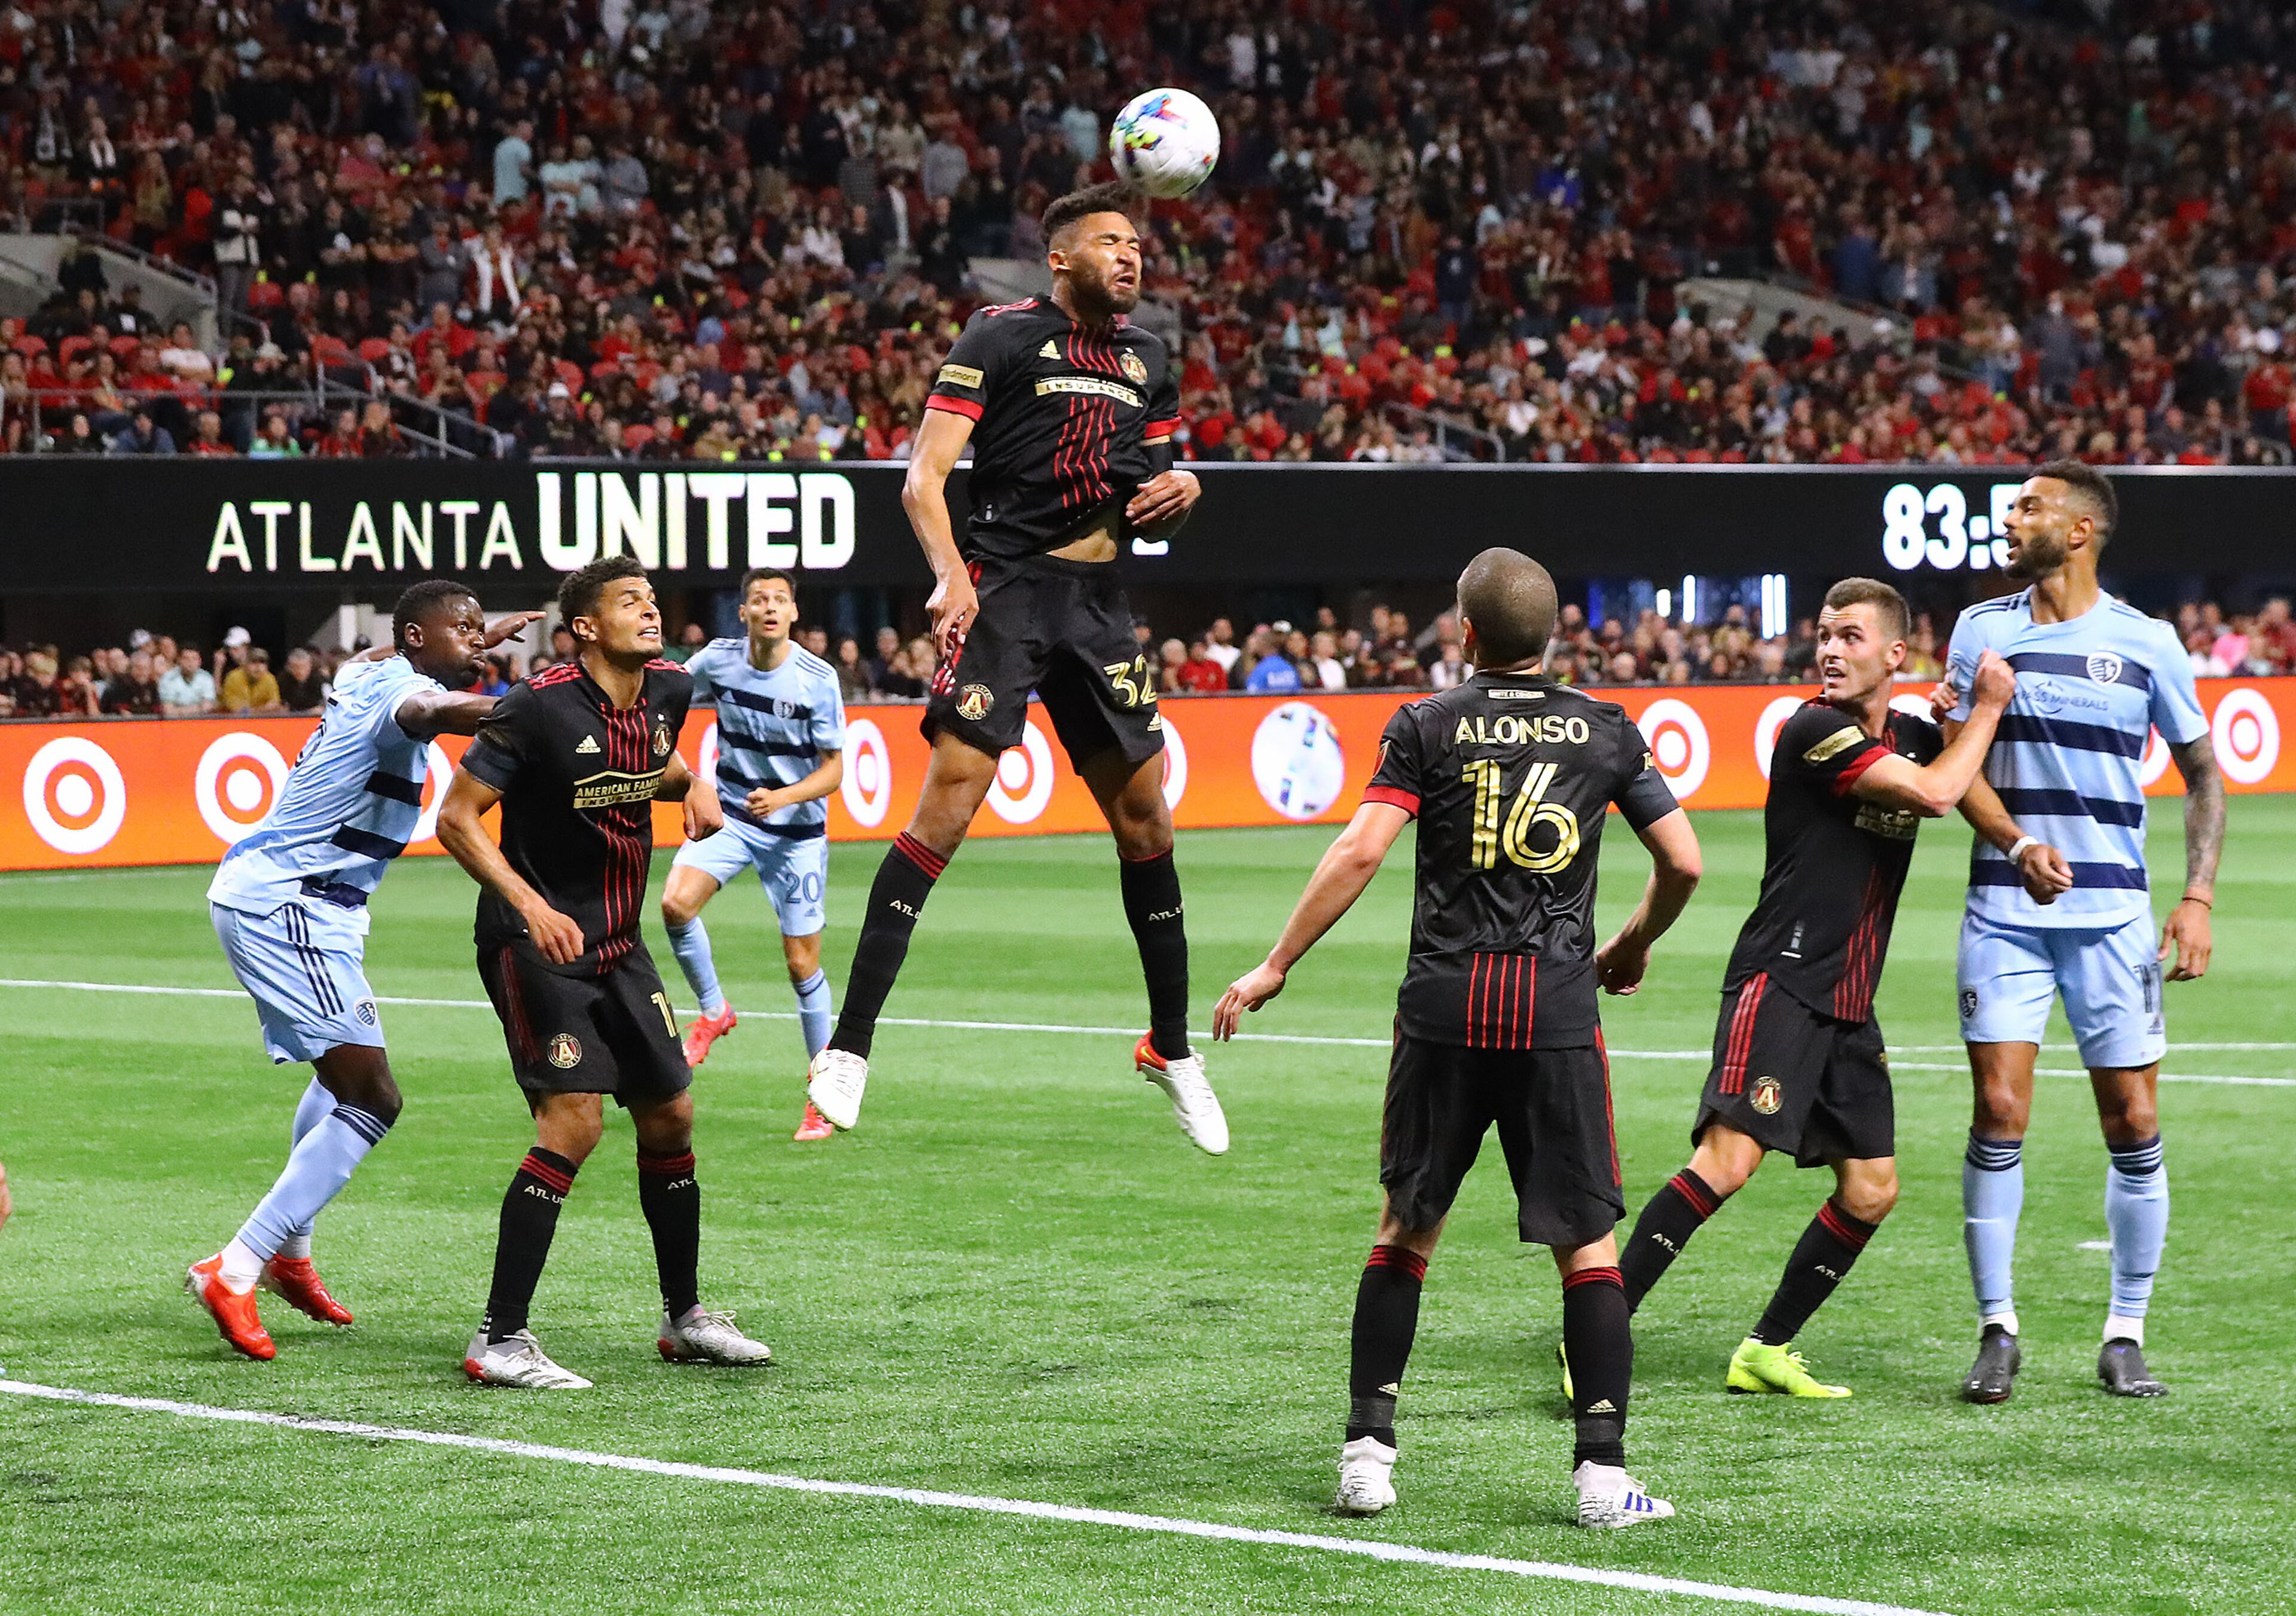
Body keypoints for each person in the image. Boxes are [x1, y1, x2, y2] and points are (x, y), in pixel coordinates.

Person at [1213, 548, 1702, 1528]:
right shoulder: (1606, 730)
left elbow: (1360, 847)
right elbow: (1683, 859)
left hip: (1444, 1006)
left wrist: (1276, 963)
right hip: (1555, 1010)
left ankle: (1366, 1459)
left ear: (1466, 635)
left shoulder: (1426, 724)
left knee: (1407, 1226)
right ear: (1554, 636)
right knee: (1588, 1245)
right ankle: (1602, 1481)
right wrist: (1633, 942)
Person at [804, 182, 1225, 1153]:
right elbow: (924, 480)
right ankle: (848, 1047)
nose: (1130, 256)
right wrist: (953, 578)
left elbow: (1152, 489)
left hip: (1099, 600)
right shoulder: (998, 337)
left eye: (1137, 244)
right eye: (1110, 241)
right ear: (1062, 256)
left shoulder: (1147, 358)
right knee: (948, 803)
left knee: (1146, 817)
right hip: (1008, 587)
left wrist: (1185, 487)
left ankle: (1171, 1046)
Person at [1612, 581, 2017, 1398]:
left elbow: (1950, 774)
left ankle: (1766, 1348)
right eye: (1825, 635)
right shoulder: (1813, 729)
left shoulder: (1906, 731)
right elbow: (1938, 793)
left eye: (1851, 636)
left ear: (1894, 654)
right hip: (1784, 979)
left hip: (1848, 1001)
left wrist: (2009, 827)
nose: (1830, 649)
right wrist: (1988, 710)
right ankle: (1596, 1329)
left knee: (1872, 1188)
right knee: (1727, 1162)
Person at [436, 557, 767, 1389]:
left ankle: (685, 1316)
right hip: (533, 940)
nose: (650, 611)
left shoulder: (669, 690)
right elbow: (456, 817)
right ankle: (499, 1337)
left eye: (653, 599)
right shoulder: (537, 706)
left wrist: (694, 788)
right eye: (630, 602)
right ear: (585, 626)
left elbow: (656, 760)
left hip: (619, 944)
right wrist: (527, 903)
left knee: (672, 1113)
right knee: (574, 1121)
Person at [187, 582, 538, 1361]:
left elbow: (387, 656)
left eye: (485, 627)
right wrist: (555, 705)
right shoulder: (405, 694)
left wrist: (473, 642)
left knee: (334, 1080)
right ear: (416, 635)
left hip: (310, 905)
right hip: (291, 907)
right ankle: (235, 1267)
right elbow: (432, 714)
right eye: (464, 628)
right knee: (373, 1098)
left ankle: (290, 1254)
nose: (479, 640)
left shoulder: (365, 669)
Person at [1943, 462, 2224, 1403]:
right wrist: (2016, 840)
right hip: (2004, 908)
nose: (2011, 517)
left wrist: (2199, 896)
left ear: (2080, 531)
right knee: (1999, 1112)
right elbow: (1957, 763)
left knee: (2134, 1122)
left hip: (2116, 919)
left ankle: (2126, 1330)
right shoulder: (1982, 630)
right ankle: (1996, 1328)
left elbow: (2204, 772)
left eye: (2029, 506)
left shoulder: (2147, 642)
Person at [661, 569, 848, 1142]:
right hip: (735, 819)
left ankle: (821, 1096)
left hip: (796, 835)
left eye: (780, 600)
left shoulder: (818, 679)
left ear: (794, 613)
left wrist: (785, 797)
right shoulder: (718, 660)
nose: (770, 607)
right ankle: (714, 1011)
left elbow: (834, 770)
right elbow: (664, 694)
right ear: (742, 613)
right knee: (674, 905)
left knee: (801, 966)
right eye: (759, 600)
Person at [221, 646, 285, 714]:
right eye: (254, 662)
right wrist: (263, 709)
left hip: (262, 721)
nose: (258, 667)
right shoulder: (234, 678)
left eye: (262, 663)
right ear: (244, 665)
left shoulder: (270, 679)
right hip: (234, 721)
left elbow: (275, 705)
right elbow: (237, 711)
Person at [159, 646, 218, 716]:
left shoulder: (207, 678)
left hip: (200, 722)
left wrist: (179, 710)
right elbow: (168, 710)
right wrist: (198, 708)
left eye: (194, 659)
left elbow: (207, 707)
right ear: (179, 660)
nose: (190, 663)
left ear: (200, 662)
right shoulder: (168, 678)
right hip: (175, 723)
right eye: (186, 659)